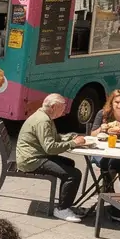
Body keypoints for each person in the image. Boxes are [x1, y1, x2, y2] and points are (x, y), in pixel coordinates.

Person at [15, 93, 86, 221]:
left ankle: (64, 203)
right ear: (53, 107)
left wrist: (69, 137)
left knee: (69, 164)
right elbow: (50, 148)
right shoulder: (43, 121)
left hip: (35, 155)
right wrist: (73, 143)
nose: (64, 112)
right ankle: (62, 209)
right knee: (74, 174)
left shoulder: (44, 116)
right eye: (62, 108)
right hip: (32, 160)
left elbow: (52, 138)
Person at [89, 88, 120, 189]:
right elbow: (92, 135)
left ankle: (106, 193)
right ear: (111, 101)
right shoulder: (103, 114)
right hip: (102, 151)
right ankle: (114, 196)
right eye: (117, 102)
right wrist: (102, 129)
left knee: (115, 165)